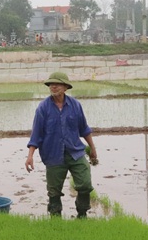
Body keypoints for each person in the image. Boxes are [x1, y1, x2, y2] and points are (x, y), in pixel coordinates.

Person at [24, 72, 98, 218]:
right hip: (53, 154)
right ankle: (55, 218)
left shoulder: (75, 105)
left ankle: (82, 215)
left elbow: (84, 129)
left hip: (75, 152)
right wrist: (30, 156)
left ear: (65, 87)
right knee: (54, 190)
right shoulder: (43, 108)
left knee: (85, 184)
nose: (53, 86)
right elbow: (36, 134)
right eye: (51, 84)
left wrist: (93, 149)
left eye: (57, 84)